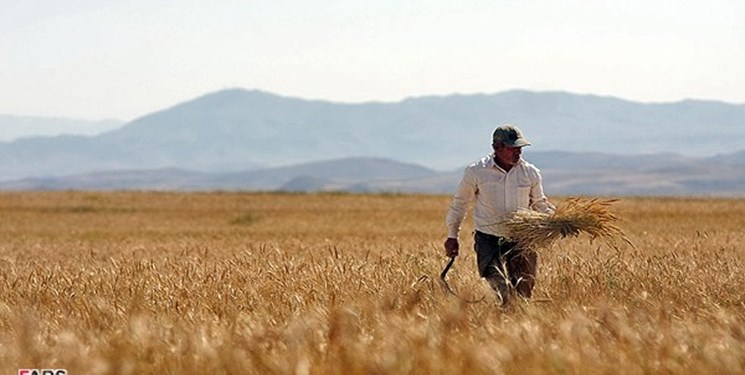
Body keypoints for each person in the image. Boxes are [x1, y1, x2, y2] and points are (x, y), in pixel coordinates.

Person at [444, 124, 555, 306]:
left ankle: (515, 329)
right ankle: (501, 326)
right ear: (497, 147)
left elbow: (540, 204)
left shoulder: (531, 173)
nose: (517, 153)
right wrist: (452, 237)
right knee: (505, 293)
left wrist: (557, 221)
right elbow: (459, 205)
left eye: (519, 149)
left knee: (523, 294)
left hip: (523, 240)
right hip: (489, 241)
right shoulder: (476, 171)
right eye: (512, 148)